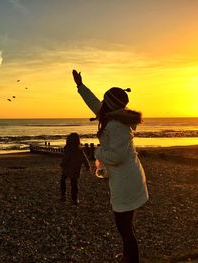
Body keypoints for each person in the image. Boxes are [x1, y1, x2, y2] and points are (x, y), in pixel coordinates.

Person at [72, 70, 148, 263]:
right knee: (126, 225)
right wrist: (80, 86)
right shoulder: (112, 116)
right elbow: (94, 103)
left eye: (105, 101)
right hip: (126, 178)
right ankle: (128, 256)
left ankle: (131, 259)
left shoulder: (116, 125)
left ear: (110, 105)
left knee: (124, 227)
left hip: (126, 182)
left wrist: (97, 153)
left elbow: (117, 156)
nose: (101, 104)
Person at [60, 132, 90, 205]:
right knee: (74, 184)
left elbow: (66, 158)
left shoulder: (68, 148)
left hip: (67, 168)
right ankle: (75, 199)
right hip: (76, 169)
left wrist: (62, 164)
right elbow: (84, 158)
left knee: (63, 180)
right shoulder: (79, 149)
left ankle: (63, 195)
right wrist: (87, 166)